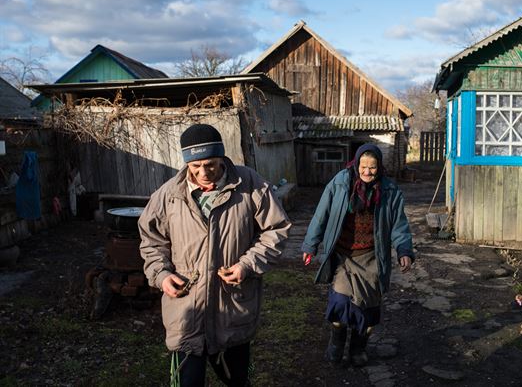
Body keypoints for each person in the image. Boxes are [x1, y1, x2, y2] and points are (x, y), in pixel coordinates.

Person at [138, 123, 291, 387]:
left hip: (232, 308)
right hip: (186, 310)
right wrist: (162, 274)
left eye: (210, 164)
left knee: (237, 380)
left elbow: (276, 230)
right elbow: (152, 242)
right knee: (188, 382)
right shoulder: (168, 195)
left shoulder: (249, 185)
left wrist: (247, 265)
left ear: (222, 157)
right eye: (195, 166)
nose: (203, 173)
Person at [301, 143, 414, 367]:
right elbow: (321, 214)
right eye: (363, 166)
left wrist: (404, 250)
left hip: (372, 256)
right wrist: (310, 245)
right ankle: (336, 343)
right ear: (356, 163)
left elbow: (399, 226)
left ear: (379, 167)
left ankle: (358, 348)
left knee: (369, 310)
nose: (367, 172)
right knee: (340, 302)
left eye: (372, 167)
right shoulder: (341, 183)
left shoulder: (389, 191)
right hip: (344, 255)